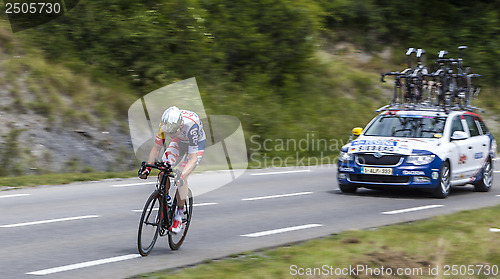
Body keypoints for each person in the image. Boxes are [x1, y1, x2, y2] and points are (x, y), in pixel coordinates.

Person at [139, 106, 206, 233]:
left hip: (196, 144)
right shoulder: (166, 125)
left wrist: (181, 175)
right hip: (179, 141)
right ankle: (167, 202)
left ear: (181, 126)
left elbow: (192, 159)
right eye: (167, 132)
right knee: (164, 166)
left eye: (172, 132)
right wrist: (147, 168)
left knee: (183, 175)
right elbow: (156, 149)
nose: (169, 135)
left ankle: (179, 217)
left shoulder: (191, 127)